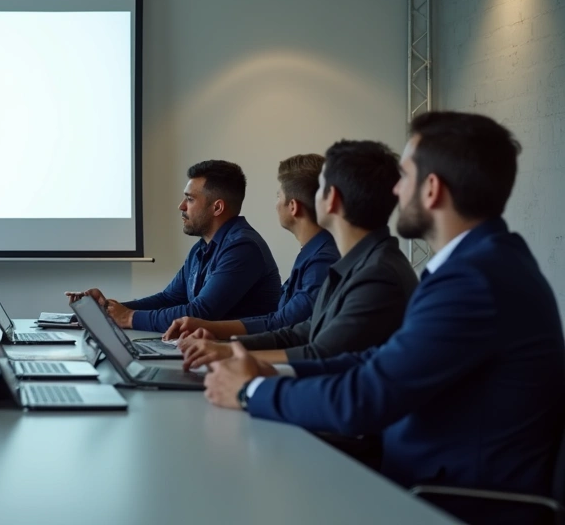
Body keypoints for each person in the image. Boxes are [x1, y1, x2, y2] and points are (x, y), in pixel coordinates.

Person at [203, 112, 565, 525]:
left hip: (444, 500)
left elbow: (367, 397)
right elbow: (377, 361)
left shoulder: (473, 280)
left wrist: (251, 393)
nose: (394, 189)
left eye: (405, 175)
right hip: (416, 478)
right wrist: (270, 375)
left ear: (432, 189)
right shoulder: (481, 263)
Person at [179, 141, 417, 369]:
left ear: (331, 199)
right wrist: (228, 346)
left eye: (319, 188)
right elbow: (305, 330)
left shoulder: (373, 272)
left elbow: (321, 353)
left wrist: (247, 384)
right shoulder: (359, 262)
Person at [67, 160, 282, 332]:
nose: (181, 206)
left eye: (189, 199)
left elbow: (201, 312)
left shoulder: (243, 248)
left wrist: (129, 317)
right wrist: (110, 310)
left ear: (217, 207)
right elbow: (170, 298)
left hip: (239, 359)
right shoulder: (202, 247)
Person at [162, 154, 338, 341]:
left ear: (293, 207)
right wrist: (211, 331)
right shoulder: (311, 254)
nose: (276, 204)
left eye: (278, 196)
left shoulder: (322, 261)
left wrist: (214, 334)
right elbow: (279, 321)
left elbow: (287, 327)